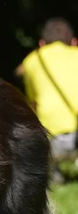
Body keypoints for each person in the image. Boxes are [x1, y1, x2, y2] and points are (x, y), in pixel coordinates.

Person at [17, 17, 78, 184]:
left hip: (53, 140)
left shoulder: (32, 61)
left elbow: (33, 104)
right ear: (74, 42)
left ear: (42, 43)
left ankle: (55, 175)